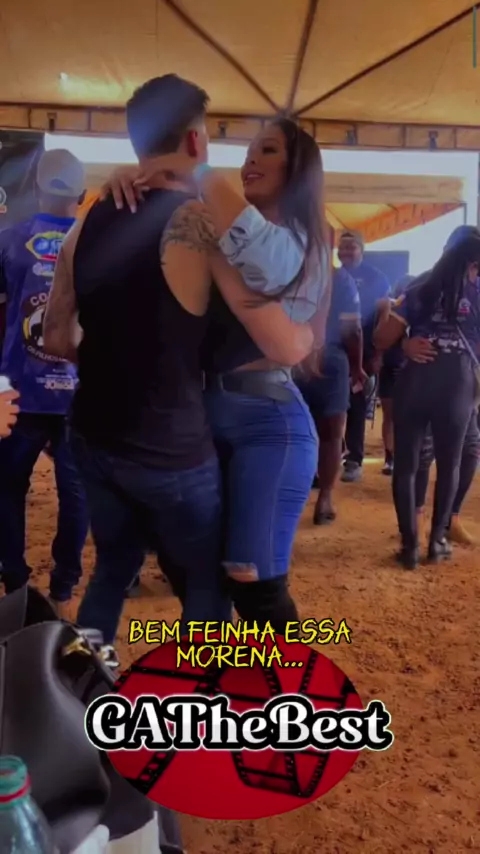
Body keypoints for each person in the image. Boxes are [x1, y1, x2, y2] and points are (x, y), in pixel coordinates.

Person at [44, 76, 319, 652]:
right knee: (204, 585)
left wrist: (117, 352)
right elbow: (282, 344)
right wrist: (304, 338)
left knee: (112, 568)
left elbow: (56, 337)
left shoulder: (88, 220)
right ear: (196, 143)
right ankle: (198, 692)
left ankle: (84, 682)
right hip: (170, 445)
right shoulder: (200, 224)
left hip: (91, 435)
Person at [104, 104, 329, 632]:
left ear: (298, 168)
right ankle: (218, 676)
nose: (250, 162)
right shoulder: (226, 229)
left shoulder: (300, 241)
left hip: (267, 424)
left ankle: (289, 683)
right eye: (247, 153)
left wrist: (196, 170)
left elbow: (266, 265)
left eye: (267, 151)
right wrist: (130, 183)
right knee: (194, 575)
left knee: (252, 579)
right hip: (199, 418)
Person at [0, 150, 89, 612]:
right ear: (82, 193)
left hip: (19, 388)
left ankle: (15, 580)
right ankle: (64, 584)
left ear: (35, 187)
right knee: (76, 492)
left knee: (8, 486)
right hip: (79, 393)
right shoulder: (97, 243)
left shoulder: (8, 240)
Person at [374, 229, 480, 569]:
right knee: (449, 465)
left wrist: (405, 342)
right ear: (473, 264)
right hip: (457, 383)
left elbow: (381, 338)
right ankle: (437, 542)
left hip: (415, 380)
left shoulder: (419, 289)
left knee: (406, 465)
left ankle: (410, 547)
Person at [296, 265, 363, 524]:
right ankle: (324, 498)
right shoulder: (339, 277)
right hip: (330, 357)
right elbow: (352, 330)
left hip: (288, 355)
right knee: (332, 434)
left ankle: (291, 496)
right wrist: (356, 367)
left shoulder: (283, 264)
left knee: (291, 430)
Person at [337, 230, 390, 482]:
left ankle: (354, 460)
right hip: (334, 350)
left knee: (356, 405)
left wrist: (378, 353)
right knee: (330, 404)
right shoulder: (332, 275)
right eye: (342, 247)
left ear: (362, 249)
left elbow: (384, 317)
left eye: (351, 247)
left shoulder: (376, 278)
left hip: (363, 352)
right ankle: (331, 454)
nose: (345, 251)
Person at [378, 274, 415, 475]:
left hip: (412, 367)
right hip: (392, 365)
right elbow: (379, 338)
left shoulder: (424, 308)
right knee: (390, 415)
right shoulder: (388, 308)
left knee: (408, 416)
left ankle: (403, 457)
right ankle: (390, 457)